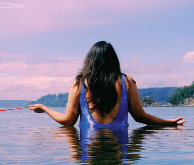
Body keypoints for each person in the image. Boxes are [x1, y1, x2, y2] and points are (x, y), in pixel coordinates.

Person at [28, 41, 185, 129]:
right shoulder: (127, 82)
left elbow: (68, 121)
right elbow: (140, 117)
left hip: (89, 150)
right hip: (118, 149)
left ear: (90, 61)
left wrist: (44, 108)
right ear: (114, 60)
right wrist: (167, 122)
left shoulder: (80, 83)